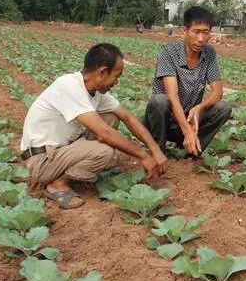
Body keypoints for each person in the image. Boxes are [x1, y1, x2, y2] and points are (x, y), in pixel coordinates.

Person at [20, 43, 168, 209]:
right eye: (116, 76)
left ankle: (78, 169)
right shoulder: (69, 86)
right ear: (103, 72)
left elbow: (127, 117)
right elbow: (104, 133)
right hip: (42, 161)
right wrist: (143, 156)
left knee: (111, 117)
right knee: (104, 151)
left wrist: (155, 150)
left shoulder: (95, 92)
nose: (116, 82)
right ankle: (57, 184)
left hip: (62, 150)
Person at [142, 6, 231, 156]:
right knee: (159, 101)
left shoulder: (209, 53)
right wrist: (187, 131)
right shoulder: (168, 52)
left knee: (223, 108)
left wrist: (200, 108)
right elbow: (172, 96)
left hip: (190, 119)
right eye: (196, 32)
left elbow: (218, 92)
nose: (201, 39)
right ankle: (158, 150)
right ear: (184, 31)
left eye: (206, 32)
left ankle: (192, 151)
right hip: (164, 122)